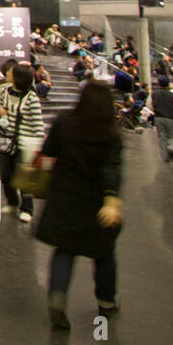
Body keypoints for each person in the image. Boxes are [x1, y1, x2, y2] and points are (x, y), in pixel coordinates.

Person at [36, 80, 124, 330]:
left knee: (64, 250)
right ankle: (106, 301)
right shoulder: (110, 131)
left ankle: (58, 296)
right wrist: (111, 197)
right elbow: (111, 167)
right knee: (104, 253)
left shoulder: (64, 121)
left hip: (64, 196)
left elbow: (49, 150)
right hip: (96, 200)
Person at [0, 63, 45, 222]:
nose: (7, 74)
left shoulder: (31, 97)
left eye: (11, 72)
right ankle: (12, 201)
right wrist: (2, 115)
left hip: (25, 142)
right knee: (5, 173)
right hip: (7, 140)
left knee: (25, 176)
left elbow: (37, 123)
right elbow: (2, 113)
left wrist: (40, 147)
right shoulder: (5, 92)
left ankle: (27, 209)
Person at [151, 77, 173, 163]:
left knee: (162, 137)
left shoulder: (154, 94)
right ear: (168, 84)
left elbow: (149, 105)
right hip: (171, 118)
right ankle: (171, 148)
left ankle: (165, 157)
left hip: (158, 118)